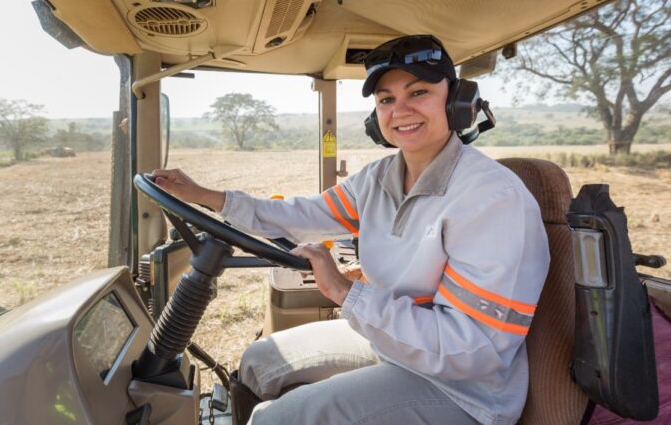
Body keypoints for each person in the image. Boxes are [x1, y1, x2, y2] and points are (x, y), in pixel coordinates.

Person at [152, 34, 550, 425]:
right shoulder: (380, 178)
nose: (401, 110)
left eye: (419, 93)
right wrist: (205, 195)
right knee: (259, 362)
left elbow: (472, 350)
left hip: (465, 390)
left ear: (458, 101)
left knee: (275, 420)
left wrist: (344, 291)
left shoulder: (492, 200)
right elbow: (301, 216)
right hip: (393, 346)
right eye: (387, 100)